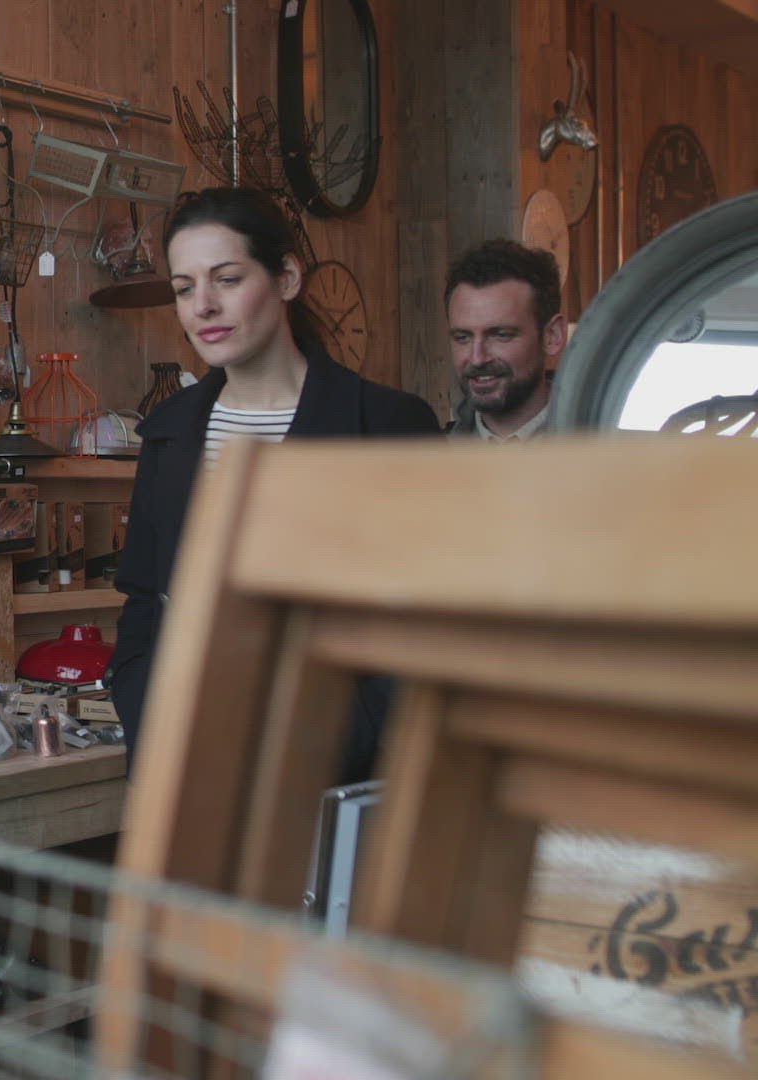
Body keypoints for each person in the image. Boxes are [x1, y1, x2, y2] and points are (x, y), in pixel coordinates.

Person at [106, 187, 440, 776]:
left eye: (227, 279)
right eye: (184, 288)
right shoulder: (167, 433)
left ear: (286, 277)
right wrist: (145, 714)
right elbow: (142, 600)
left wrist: (343, 739)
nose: (203, 306)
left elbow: (429, 618)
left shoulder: (387, 423)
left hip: (334, 770)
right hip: (190, 762)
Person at [445, 239, 565, 440]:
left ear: (552, 336)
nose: (477, 359)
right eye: (463, 338)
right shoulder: (432, 454)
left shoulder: (611, 450)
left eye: (501, 335)